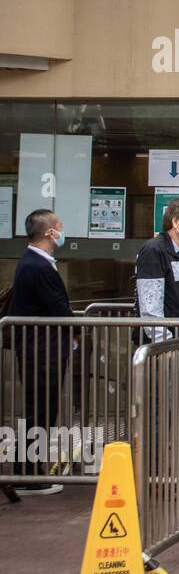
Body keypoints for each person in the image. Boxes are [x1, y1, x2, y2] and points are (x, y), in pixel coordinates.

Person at [7, 210, 75, 495]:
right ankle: (29, 474)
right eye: (59, 226)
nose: (61, 230)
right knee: (40, 410)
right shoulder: (36, 265)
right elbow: (57, 306)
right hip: (41, 348)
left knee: (42, 408)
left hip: (43, 346)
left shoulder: (36, 263)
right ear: (49, 233)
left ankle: (31, 470)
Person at [135, 198, 179, 341]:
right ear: (177, 222)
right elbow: (150, 306)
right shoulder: (153, 251)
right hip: (162, 344)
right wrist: (165, 343)